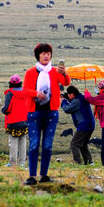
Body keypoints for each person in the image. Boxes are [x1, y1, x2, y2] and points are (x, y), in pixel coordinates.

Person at [23, 43, 70, 185]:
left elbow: (66, 83)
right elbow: (25, 90)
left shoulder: (55, 71)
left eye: (48, 53)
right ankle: (32, 176)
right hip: (34, 113)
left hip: (51, 113)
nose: (46, 56)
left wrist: (65, 73)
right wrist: (36, 93)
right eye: (43, 53)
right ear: (38, 55)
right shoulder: (30, 72)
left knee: (48, 145)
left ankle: (44, 175)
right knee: (34, 144)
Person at [1, 74, 30, 168]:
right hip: (25, 121)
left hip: (13, 122)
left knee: (13, 141)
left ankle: (12, 163)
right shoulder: (26, 93)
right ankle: (22, 163)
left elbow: (7, 109)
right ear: (20, 83)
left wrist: (3, 110)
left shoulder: (10, 94)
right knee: (23, 141)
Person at [61, 85, 95, 165]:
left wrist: (63, 101)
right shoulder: (81, 98)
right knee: (83, 144)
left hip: (84, 125)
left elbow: (67, 109)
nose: (68, 96)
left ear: (72, 94)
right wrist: (67, 98)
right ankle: (89, 162)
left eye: (69, 94)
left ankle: (78, 163)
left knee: (74, 144)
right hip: (90, 124)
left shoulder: (77, 101)